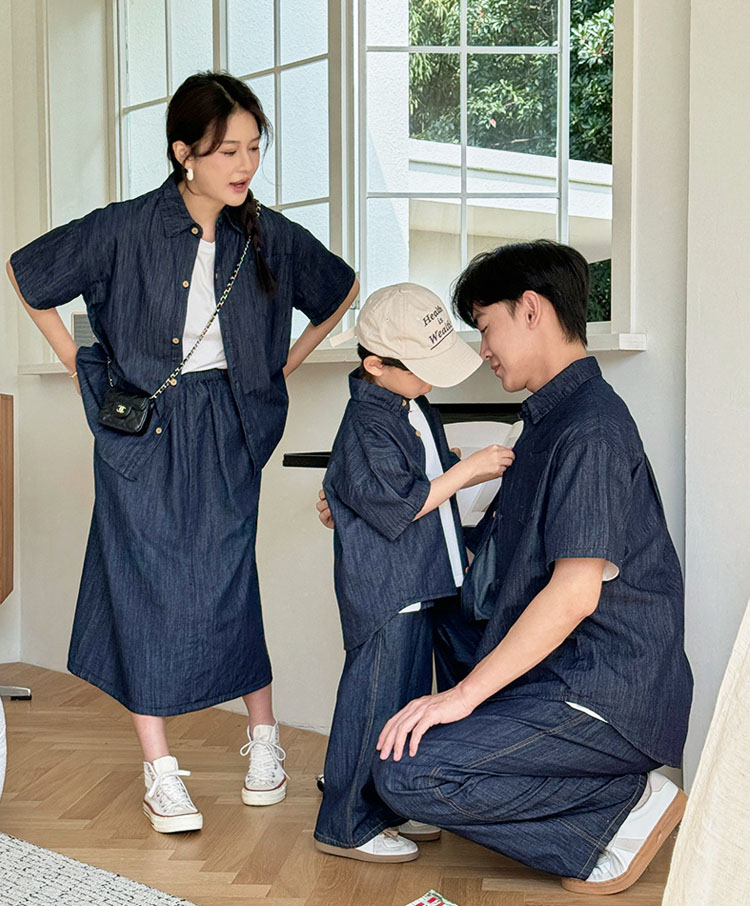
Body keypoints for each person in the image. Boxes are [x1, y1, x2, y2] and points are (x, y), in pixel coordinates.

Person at [6, 72, 358, 834]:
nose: (244, 164)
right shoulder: (125, 227)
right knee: (141, 586)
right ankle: (159, 770)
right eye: (228, 150)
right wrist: (79, 364)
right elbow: (29, 273)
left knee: (230, 579)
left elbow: (340, 290)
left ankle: (264, 739)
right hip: (141, 433)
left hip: (226, 428)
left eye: (254, 148)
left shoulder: (264, 235)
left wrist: (276, 368)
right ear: (183, 153)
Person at [372, 241, 693, 895]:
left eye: (485, 325)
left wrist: (462, 697)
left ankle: (623, 806)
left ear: (529, 310)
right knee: (434, 615)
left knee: (408, 775)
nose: (484, 349)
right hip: (557, 670)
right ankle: (597, 803)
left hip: (602, 691)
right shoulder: (547, 421)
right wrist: (363, 508)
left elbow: (574, 594)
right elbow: (495, 557)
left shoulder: (590, 431)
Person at [313, 283, 514, 863]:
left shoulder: (412, 403)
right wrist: (469, 471)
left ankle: (387, 805)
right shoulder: (368, 422)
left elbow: (399, 478)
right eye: (422, 369)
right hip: (388, 588)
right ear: (376, 365)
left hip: (420, 580)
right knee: (373, 701)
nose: (431, 380)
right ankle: (346, 826)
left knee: (403, 699)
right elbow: (400, 504)